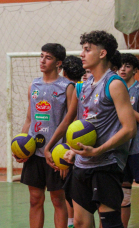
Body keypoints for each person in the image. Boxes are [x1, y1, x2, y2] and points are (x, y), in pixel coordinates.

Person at [44, 30, 136, 228]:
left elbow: (129, 129)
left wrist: (98, 150)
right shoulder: (83, 86)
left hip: (106, 164)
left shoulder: (114, 84)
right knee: (80, 223)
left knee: (110, 223)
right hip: (83, 164)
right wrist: (72, 149)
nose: (82, 54)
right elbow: (81, 126)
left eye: (87, 49)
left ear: (102, 54)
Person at [14, 43, 74, 228]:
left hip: (56, 153)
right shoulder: (34, 84)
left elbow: (72, 123)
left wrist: (67, 155)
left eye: (47, 57)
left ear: (58, 63)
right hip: (35, 152)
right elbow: (29, 118)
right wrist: (21, 146)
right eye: (41, 56)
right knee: (35, 199)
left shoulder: (67, 86)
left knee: (58, 200)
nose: (42, 60)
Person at [61, 55, 86, 228]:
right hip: (81, 143)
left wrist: (69, 147)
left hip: (71, 144)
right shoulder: (85, 87)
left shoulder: (72, 88)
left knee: (69, 189)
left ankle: (71, 222)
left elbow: (72, 118)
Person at [118, 53, 139, 228]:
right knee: (124, 195)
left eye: (127, 66)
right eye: (120, 66)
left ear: (135, 70)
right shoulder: (115, 89)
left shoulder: (138, 91)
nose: (123, 69)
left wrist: (126, 108)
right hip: (121, 148)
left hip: (137, 148)